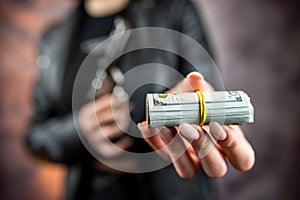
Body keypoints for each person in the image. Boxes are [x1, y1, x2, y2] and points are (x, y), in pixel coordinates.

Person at [24, 0, 255, 199]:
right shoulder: (54, 38)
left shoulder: (173, 9)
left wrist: (203, 109)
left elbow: (204, 87)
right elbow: (36, 136)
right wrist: (78, 131)